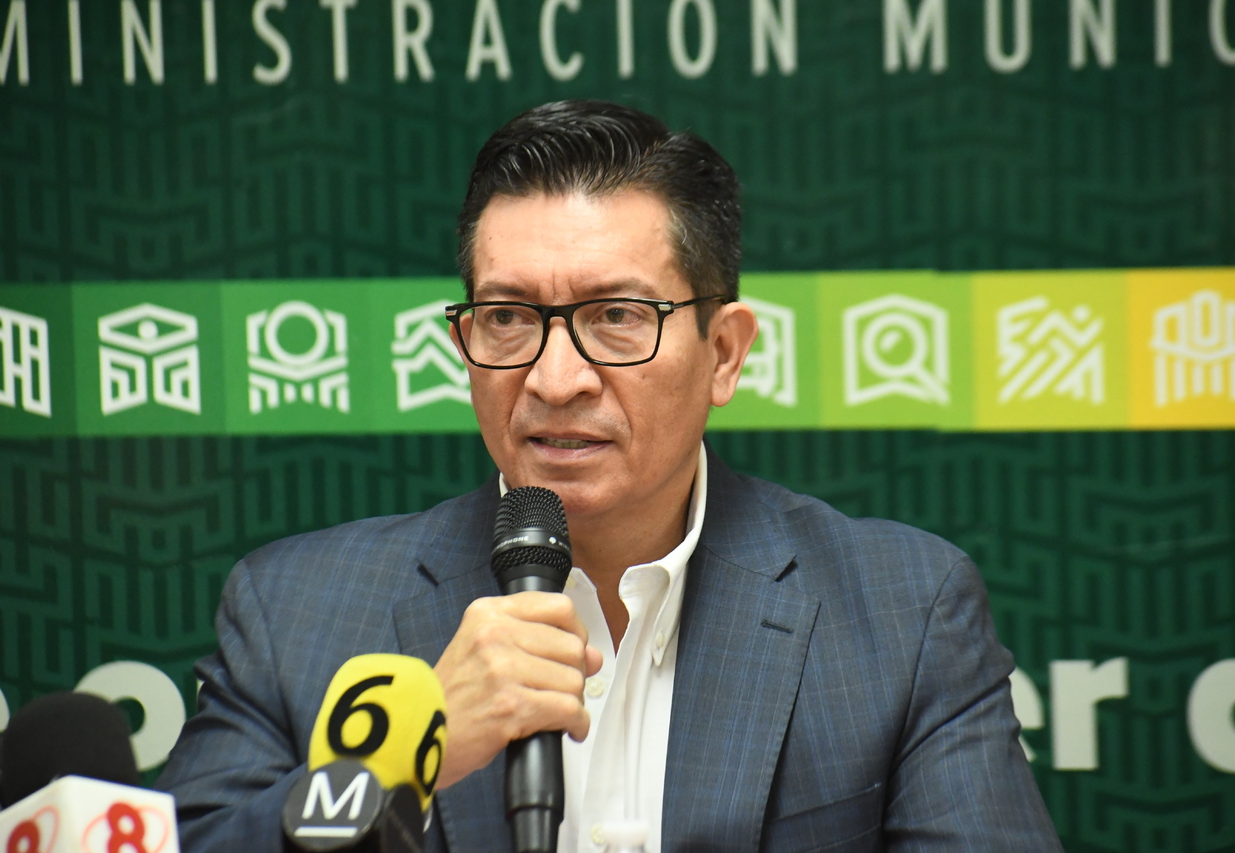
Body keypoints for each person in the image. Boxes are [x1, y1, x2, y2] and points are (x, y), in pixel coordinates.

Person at [157, 100, 1061, 851]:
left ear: (724, 351)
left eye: (618, 316)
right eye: (507, 317)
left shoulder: (902, 614)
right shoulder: (296, 614)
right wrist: (408, 757)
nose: (555, 379)